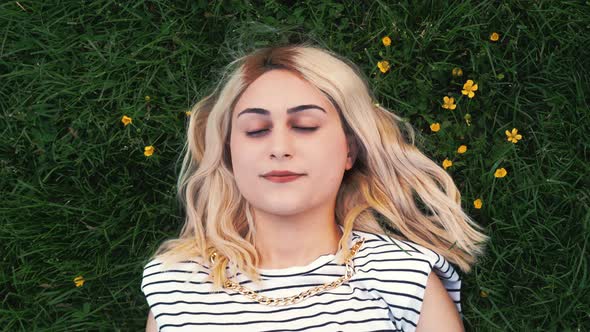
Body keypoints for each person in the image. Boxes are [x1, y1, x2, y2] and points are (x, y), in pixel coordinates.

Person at [140, 42, 488, 332]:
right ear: (230, 152)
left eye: (305, 126)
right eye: (256, 130)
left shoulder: (402, 276)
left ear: (349, 149)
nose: (279, 147)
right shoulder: (176, 283)